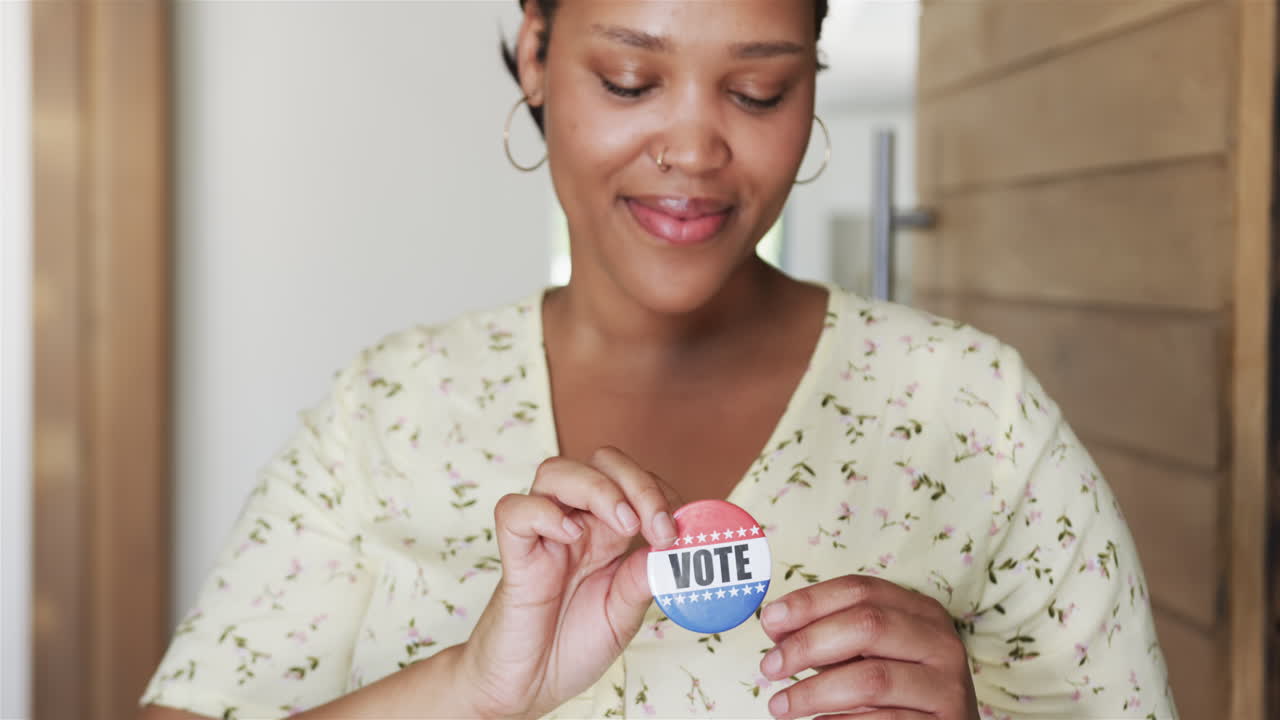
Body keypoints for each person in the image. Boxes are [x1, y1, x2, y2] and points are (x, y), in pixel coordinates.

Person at [140, 1, 1176, 718]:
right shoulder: (388, 411)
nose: (691, 149)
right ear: (537, 48)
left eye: (759, 92)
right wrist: (470, 691)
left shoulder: (974, 415)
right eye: (631, 79)